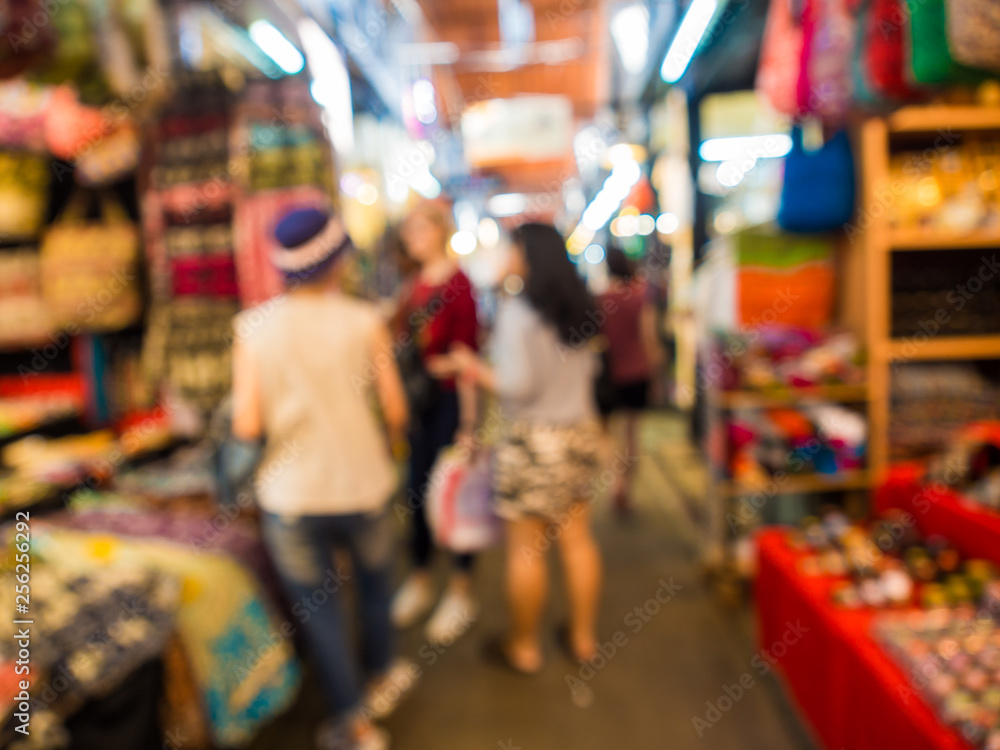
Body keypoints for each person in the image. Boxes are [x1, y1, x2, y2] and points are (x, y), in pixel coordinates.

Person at [231, 207, 411, 750]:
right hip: (365, 483)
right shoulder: (365, 320)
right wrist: (387, 445)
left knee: (320, 609)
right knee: (377, 588)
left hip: (291, 493)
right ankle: (382, 675)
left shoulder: (253, 328)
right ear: (336, 261)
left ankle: (354, 721)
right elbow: (396, 411)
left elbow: (246, 423)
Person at [441, 222, 604, 673]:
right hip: (579, 432)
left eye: (511, 248)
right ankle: (584, 638)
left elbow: (518, 385)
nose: (505, 256)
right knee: (577, 542)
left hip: (534, 439)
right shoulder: (577, 306)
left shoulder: (518, 312)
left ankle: (525, 646)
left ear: (527, 254)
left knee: (527, 550)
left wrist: (474, 369)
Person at [391, 198, 481, 644]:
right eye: (409, 231)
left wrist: (469, 423)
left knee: (455, 494)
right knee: (416, 492)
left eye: (420, 230)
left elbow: (468, 358)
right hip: (416, 404)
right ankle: (422, 576)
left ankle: (460, 588)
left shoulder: (459, 284)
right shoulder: (412, 286)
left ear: (439, 230)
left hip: (447, 402)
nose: (413, 238)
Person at [598, 246, 664, 514]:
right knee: (631, 434)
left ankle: (616, 482)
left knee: (606, 434)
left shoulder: (599, 299)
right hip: (636, 372)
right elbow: (649, 338)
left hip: (607, 375)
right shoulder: (639, 298)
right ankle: (626, 485)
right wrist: (656, 374)